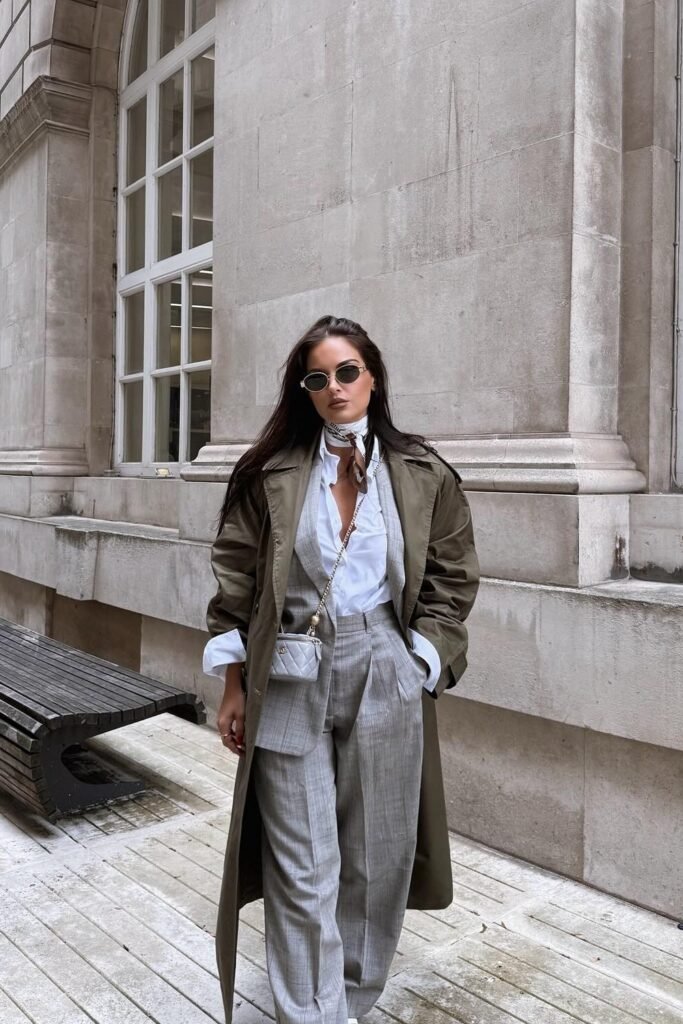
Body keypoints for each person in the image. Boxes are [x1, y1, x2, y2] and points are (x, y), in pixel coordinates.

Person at [203, 315, 480, 1024]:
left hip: (384, 659)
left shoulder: (420, 473)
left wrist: (421, 655)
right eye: (317, 377)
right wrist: (233, 684)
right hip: (290, 667)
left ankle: (350, 1001)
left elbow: (452, 576)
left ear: (372, 376)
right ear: (304, 389)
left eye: (346, 371)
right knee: (303, 864)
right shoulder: (269, 474)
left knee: (377, 853)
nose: (334, 387)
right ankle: (310, 1014)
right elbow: (235, 581)